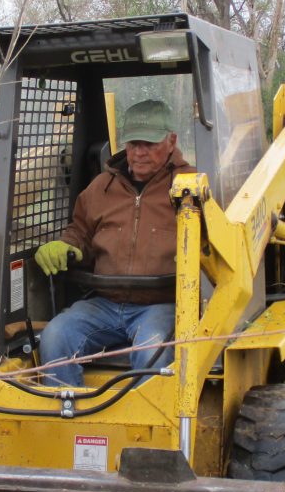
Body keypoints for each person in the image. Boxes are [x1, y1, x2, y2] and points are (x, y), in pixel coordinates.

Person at [35, 99, 194, 387]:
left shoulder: (190, 186)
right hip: (104, 304)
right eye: (133, 143)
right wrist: (68, 246)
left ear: (171, 141)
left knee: (152, 352)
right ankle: (66, 410)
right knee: (56, 336)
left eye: (149, 143)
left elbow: (209, 244)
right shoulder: (102, 187)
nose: (139, 152)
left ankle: (144, 417)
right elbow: (80, 232)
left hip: (161, 304)